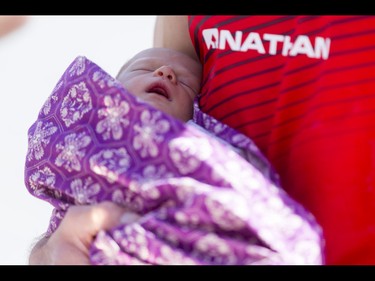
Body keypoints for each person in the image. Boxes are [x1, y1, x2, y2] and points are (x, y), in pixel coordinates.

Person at [26, 47, 323, 264]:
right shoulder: (83, 140)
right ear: (108, 90)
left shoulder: (209, 146)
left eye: (186, 84)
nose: (166, 73)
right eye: (145, 68)